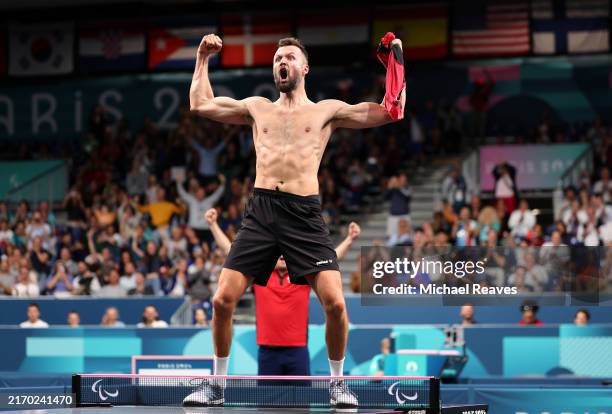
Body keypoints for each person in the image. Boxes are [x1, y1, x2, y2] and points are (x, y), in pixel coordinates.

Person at [182, 32, 405, 409]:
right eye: (276, 59)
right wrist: (202, 58)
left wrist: (396, 60)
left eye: (287, 57)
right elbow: (201, 104)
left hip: (304, 214)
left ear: (304, 67)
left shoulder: (326, 111)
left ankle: (337, 384)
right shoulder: (256, 108)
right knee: (222, 300)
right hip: (262, 211)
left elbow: (389, 110)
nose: (280, 63)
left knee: (335, 304)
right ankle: (216, 386)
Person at [198, 208, 361, 380]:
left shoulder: (303, 275)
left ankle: (337, 380)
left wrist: (349, 240)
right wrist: (213, 225)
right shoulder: (259, 274)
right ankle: (219, 380)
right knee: (267, 406)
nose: (282, 254)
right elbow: (231, 253)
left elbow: (330, 260)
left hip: (298, 351)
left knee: (300, 406)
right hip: (267, 351)